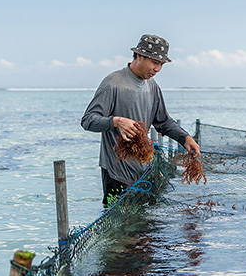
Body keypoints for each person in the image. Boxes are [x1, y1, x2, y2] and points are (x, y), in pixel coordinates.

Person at [81, 34, 201, 204]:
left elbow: (163, 121)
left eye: (161, 64)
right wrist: (115, 121)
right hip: (116, 173)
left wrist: (185, 138)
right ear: (139, 56)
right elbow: (88, 120)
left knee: (145, 227)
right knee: (120, 226)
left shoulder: (152, 87)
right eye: (154, 62)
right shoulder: (113, 83)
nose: (157, 69)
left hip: (144, 170)